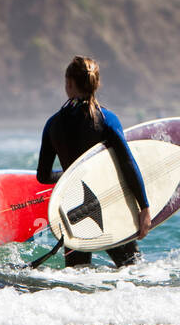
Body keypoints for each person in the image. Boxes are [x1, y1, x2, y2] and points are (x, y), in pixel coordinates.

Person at [37, 56, 150, 268]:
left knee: (79, 279)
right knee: (133, 270)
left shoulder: (53, 124)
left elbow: (43, 176)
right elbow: (128, 164)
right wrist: (144, 207)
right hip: (108, 206)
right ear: (96, 83)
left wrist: (70, 173)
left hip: (74, 211)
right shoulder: (106, 119)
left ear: (69, 84)